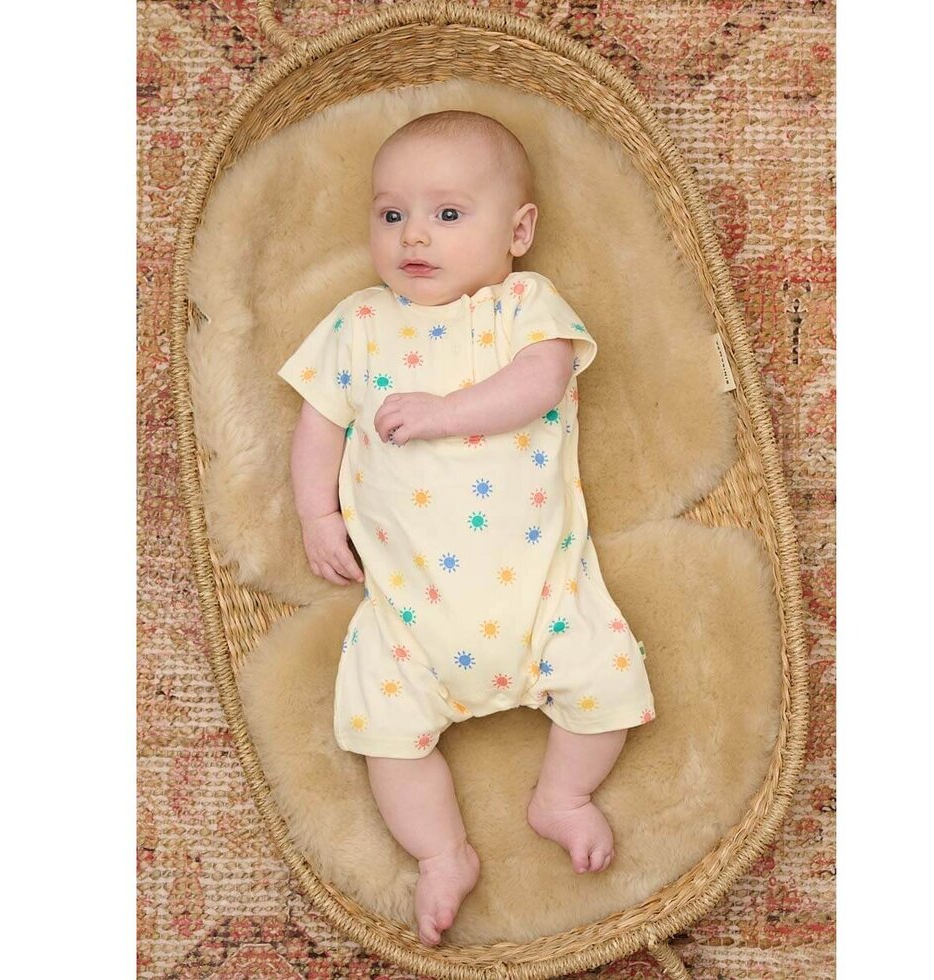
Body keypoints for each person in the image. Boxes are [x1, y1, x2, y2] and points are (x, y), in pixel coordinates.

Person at [278, 110, 656, 947]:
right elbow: (317, 427)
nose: (415, 234)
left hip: (541, 594)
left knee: (610, 688)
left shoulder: (525, 304)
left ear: (518, 231)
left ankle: (561, 798)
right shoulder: (358, 323)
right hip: (411, 614)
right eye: (391, 214)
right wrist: (316, 513)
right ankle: (443, 853)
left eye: (449, 214)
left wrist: (449, 413)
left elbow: (542, 381)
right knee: (381, 730)